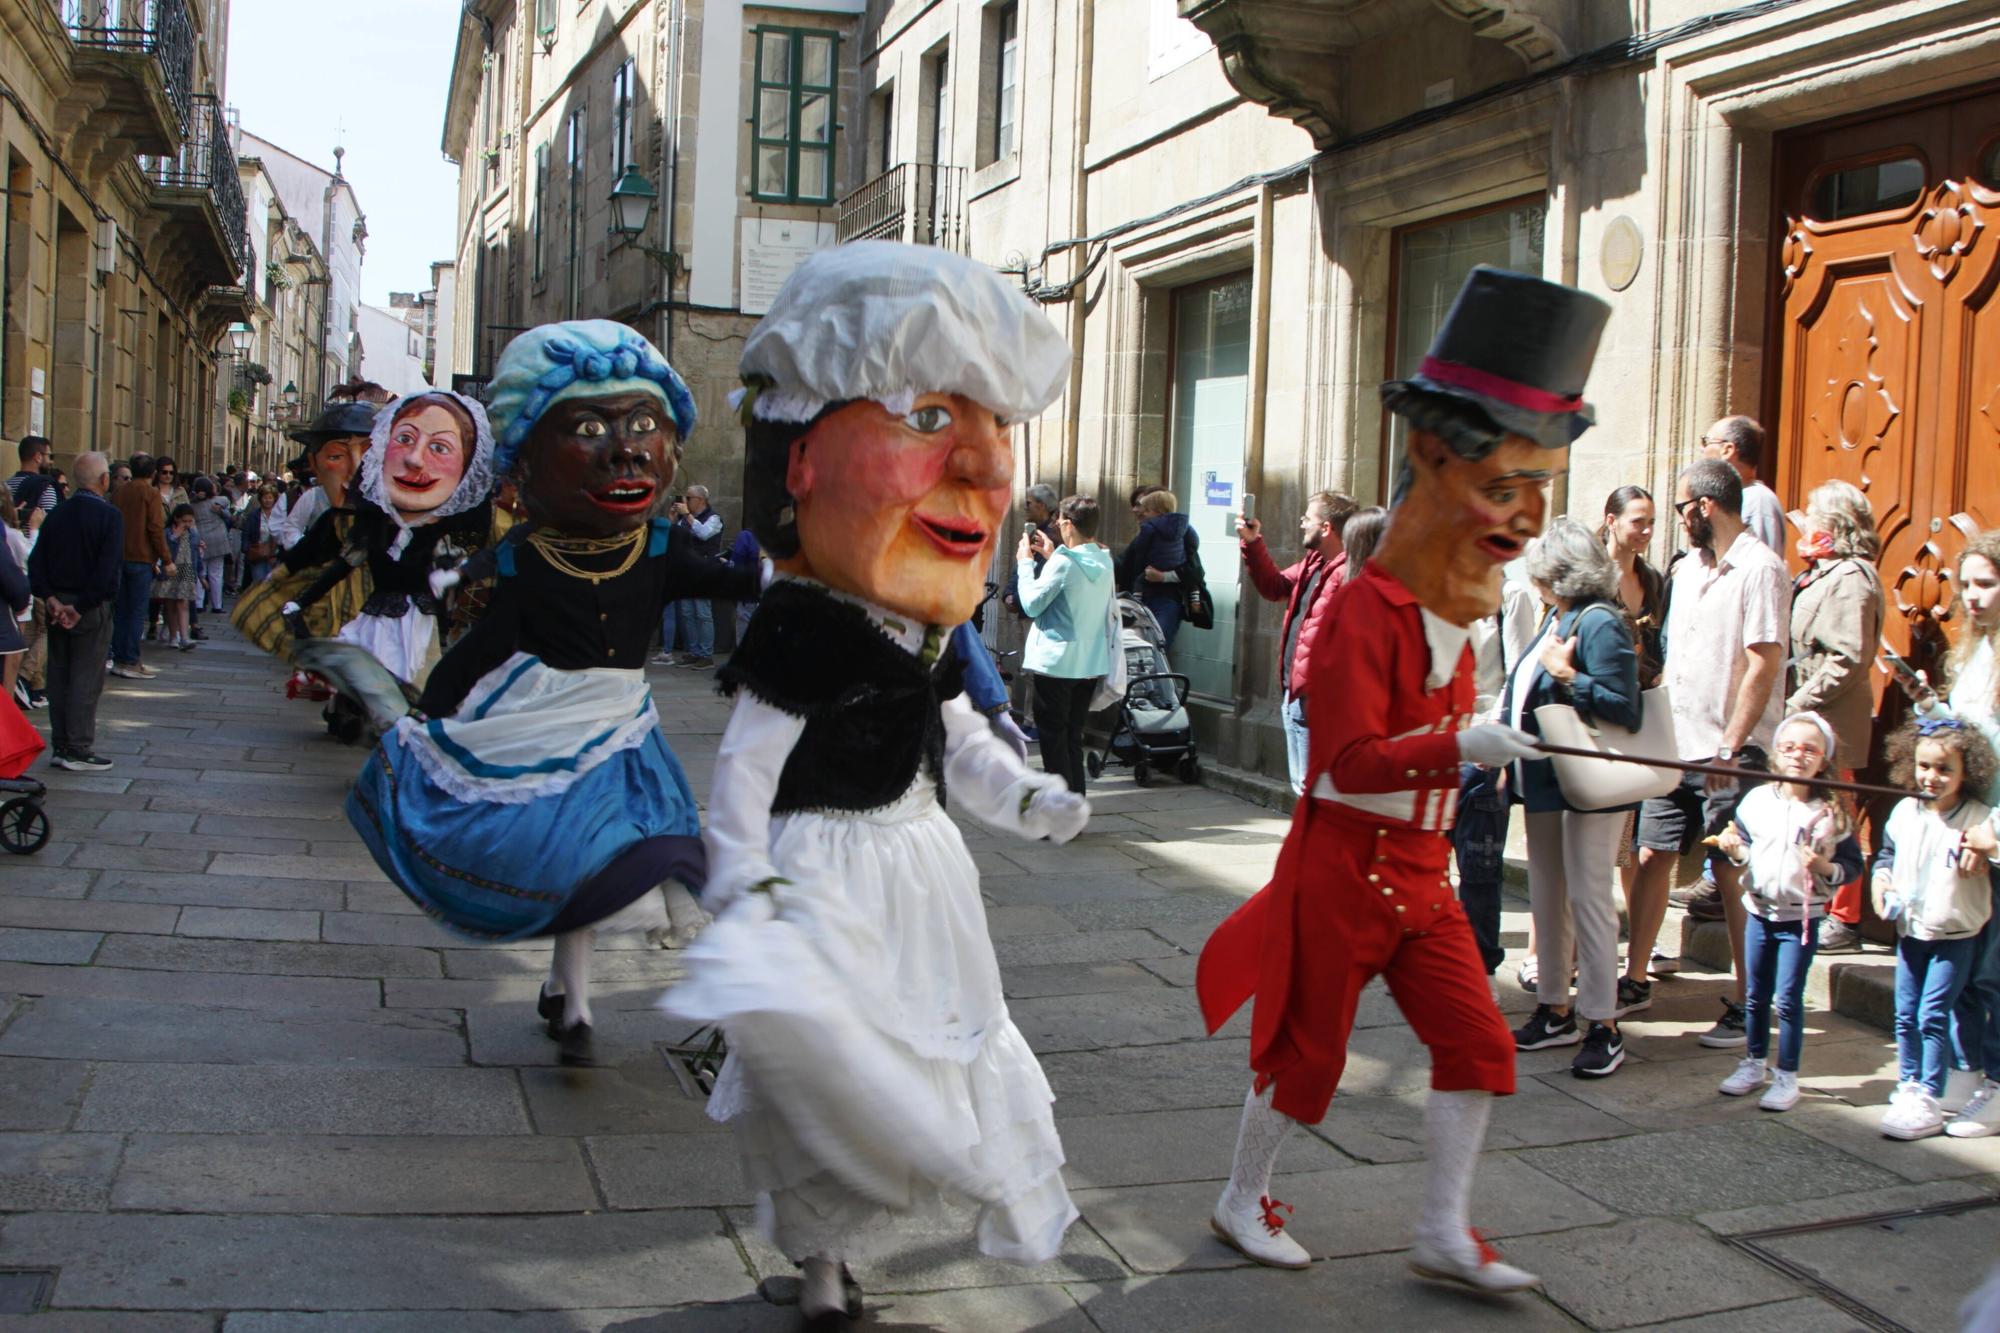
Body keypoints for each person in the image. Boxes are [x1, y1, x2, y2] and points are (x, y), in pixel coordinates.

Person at [663, 242, 1087, 1325]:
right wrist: (744, 885)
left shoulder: (926, 630)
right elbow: (741, 776)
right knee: (828, 1077)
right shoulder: (800, 624)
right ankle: (820, 1264)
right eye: (928, 418)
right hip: (822, 874)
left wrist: (1024, 794)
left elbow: (955, 733)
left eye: (992, 432)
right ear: (802, 463)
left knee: (921, 1051)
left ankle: (837, 1249)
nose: (988, 472)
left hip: (920, 866)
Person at [1196, 266, 1609, 1293]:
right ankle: (1240, 1197)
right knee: (1305, 1062)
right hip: (1340, 871)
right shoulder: (1357, 609)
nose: (1517, 521)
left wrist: (1481, 739)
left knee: (1476, 1043)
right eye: (1499, 488)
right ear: (1431, 462)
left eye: (1534, 493)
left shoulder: (1457, 618)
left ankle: (1440, 1230)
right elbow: (1342, 764)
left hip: (1420, 877)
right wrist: (1459, 747)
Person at [346, 320, 754, 1066]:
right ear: (528, 462)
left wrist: (807, 569)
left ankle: (578, 994)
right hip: (541, 723)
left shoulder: (659, 547)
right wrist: (425, 720)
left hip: (626, 730)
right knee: (576, 863)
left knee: (638, 852)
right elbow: (483, 645)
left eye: (643, 426)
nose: (626, 449)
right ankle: (573, 998)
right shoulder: (528, 555)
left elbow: (735, 577)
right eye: (591, 428)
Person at [1630, 458, 1791, 1050]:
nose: (1677, 520)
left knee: (1730, 873)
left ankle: (1753, 1006)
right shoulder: (1689, 570)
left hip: (1733, 750)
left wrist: (1731, 745)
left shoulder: (1760, 568)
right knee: (1651, 853)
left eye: (1679, 508)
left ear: (1703, 506)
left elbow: (1763, 661)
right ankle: (1636, 976)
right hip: (1679, 745)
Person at [1501, 516, 1644, 1078]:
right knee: (1549, 894)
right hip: (1546, 780)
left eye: (1540, 574)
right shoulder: (1559, 614)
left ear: (1560, 575)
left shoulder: (1601, 620)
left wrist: (1566, 676)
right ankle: (1555, 1007)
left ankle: (1603, 1024)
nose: (1534, 582)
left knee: (1587, 898)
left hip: (1588, 782)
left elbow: (1623, 707)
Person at [282, 391, 496, 688]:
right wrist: (302, 600)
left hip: (419, 628)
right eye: (405, 439)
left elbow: (480, 569)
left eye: (439, 447)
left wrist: (454, 576)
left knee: (409, 685)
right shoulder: (376, 528)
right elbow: (343, 565)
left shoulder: (444, 537)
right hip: (376, 621)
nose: (414, 459)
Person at [1709, 712, 1865, 1112]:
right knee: (1757, 995)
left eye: (1810, 749)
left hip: (1802, 919)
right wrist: (1733, 848)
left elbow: (1852, 866)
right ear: (1776, 753)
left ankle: (1787, 1075)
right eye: (1790, 747)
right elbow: (1743, 844)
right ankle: (1753, 1063)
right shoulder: (1758, 800)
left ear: (1824, 760)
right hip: (1760, 913)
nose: (1799, 755)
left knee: (1789, 999)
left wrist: (1825, 869)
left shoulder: (1832, 815)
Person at [1904, 530, 2000, 1137]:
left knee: (1995, 970)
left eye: (1987, 583)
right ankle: (1972, 1071)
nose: (1973, 597)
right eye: (1966, 585)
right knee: (1967, 963)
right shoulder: (1977, 652)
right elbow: (1972, 740)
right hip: (1965, 830)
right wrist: (1929, 708)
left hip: (1993, 834)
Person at [1873, 717, 2000, 1139]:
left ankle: (1929, 1093)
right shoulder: (1905, 812)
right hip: (1911, 933)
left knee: (1932, 1013)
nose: (1932, 777)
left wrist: (1988, 849)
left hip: (1955, 938)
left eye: (1945, 769)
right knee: (1906, 1012)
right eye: (1925, 766)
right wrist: (1881, 881)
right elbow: (1886, 857)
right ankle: (1910, 1084)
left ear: (1968, 773)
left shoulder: (1978, 820)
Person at [1786, 479, 1885, 953]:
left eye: (1814, 513)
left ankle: (1844, 918)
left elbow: (1846, 656)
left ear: (1837, 523)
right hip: (1812, 718)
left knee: (1838, 816)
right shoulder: (1827, 571)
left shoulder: (1851, 577)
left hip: (1831, 721)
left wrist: (1799, 702)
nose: (1806, 520)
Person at [1239, 490, 1359, 796]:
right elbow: (1274, 586)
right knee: (1305, 785)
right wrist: (1253, 543)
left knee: (1315, 787)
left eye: (1307, 518)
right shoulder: (1315, 562)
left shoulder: (1349, 573)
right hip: (1295, 690)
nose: (1302, 523)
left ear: (1326, 527)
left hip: (1318, 697)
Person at [26, 452, 122, 771]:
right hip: (88, 607)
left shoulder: (57, 514)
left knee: (60, 674)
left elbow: (36, 563)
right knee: (85, 676)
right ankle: (77, 747)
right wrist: (79, 607)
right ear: (104, 480)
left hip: (57, 605)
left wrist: (52, 599)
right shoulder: (109, 516)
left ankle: (61, 744)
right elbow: (107, 572)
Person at [1018, 494, 1115, 796]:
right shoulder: (1103, 558)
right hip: (1088, 664)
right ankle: (1075, 806)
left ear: (1069, 525)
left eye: (1060, 521)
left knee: (1053, 741)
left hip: (1055, 662)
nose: (1057, 526)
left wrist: (1024, 565)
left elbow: (1032, 604)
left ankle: (1060, 813)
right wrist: (1053, 555)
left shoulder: (1063, 562)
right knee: (1072, 737)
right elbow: (1078, 580)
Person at [110, 456, 171, 680]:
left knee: (121, 612)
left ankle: (119, 659)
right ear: (153, 473)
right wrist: (167, 559)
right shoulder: (151, 493)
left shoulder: (119, 493)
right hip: (141, 558)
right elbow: (155, 528)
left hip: (119, 557)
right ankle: (131, 660)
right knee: (136, 613)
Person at [1121, 489, 1195, 648]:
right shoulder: (1145, 534)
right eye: (1136, 506)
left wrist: (1165, 576)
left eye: (1142, 507)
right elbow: (1124, 565)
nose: (1137, 510)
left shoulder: (1182, 533)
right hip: (1140, 601)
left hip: (1165, 599)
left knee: (1155, 648)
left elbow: (1195, 572)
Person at [660, 484, 723, 669]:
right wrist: (672, 520)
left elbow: (704, 534)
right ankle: (694, 652)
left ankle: (706, 654)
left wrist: (687, 515)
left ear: (701, 500)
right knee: (688, 613)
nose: (685, 502)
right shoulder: (684, 521)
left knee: (703, 614)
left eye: (689, 498)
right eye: (685, 499)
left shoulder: (714, 518)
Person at [1699, 415, 1783, 553]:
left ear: (1727, 450)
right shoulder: (1736, 497)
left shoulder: (1757, 501)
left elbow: (1761, 565)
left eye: (1706, 441)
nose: (1701, 449)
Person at [1002, 483, 1060, 614]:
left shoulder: (1050, 537)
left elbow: (1040, 572)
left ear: (1041, 506)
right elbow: (1021, 565)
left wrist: (1014, 599)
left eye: (1029, 503)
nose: (1025, 507)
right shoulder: (1035, 532)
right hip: (1027, 603)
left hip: (1038, 611)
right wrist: (1008, 593)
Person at [156, 504, 200, 651]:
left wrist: (198, 574)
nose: (187, 524)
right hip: (171, 570)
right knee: (170, 605)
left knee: (183, 603)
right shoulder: (168, 532)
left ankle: (184, 637)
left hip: (186, 570)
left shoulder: (193, 534)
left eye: (190, 521)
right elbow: (164, 550)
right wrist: (175, 536)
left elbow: (195, 555)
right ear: (176, 519)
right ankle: (173, 636)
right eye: (184, 521)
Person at [6, 436, 56, 532]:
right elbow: (51, 526)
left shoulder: (5, 487)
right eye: (49, 456)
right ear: (38, 457)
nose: (51, 461)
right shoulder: (45, 488)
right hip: (33, 544)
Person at [239, 485, 281, 587]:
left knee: (274, 586)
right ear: (260, 499)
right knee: (259, 585)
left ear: (274, 499)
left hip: (276, 555)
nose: (268, 501)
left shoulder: (280, 515)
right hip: (258, 555)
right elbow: (246, 534)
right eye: (265, 498)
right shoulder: (253, 515)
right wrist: (248, 549)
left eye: (270, 498)